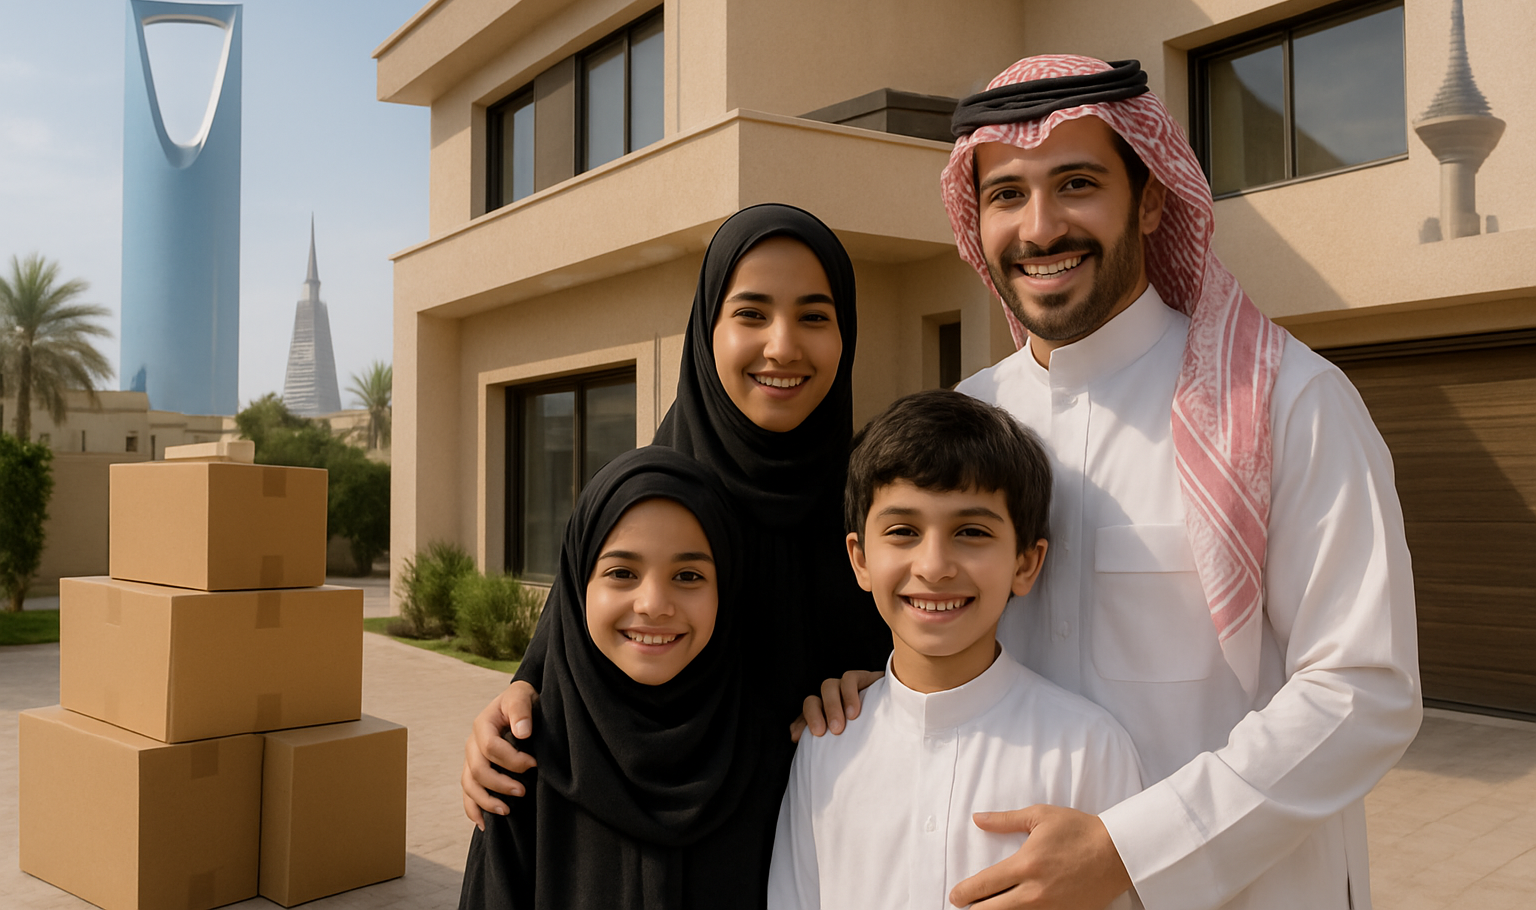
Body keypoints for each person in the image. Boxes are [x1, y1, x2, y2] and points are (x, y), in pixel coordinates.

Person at [806, 55, 1421, 909]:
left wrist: (1133, 851)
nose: (1041, 226)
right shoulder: (972, 415)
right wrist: (882, 689)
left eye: (1078, 183)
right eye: (1007, 194)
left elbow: (1363, 689)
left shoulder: (1284, 400)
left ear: (1154, 197)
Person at [461, 204, 889, 825]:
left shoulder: (881, 514)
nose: (783, 345)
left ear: (845, 334)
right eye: (750, 313)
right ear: (706, 329)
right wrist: (502, 723)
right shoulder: (643, 502)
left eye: (814, 316)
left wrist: (894, 697)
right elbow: (551, 682)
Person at [766, 389, 1143, 910]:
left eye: (971, 531)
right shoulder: (828, 745)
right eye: (903, 531)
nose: (935, 565)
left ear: (1025, 563)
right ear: (859, 559)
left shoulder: (1088, 749)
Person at [457, 445, 791, 910]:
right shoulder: (522, 762)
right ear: (577, 587)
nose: (653, 603)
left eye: (690, 575)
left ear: (727, 589)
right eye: (621, 572)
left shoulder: (772, 754)